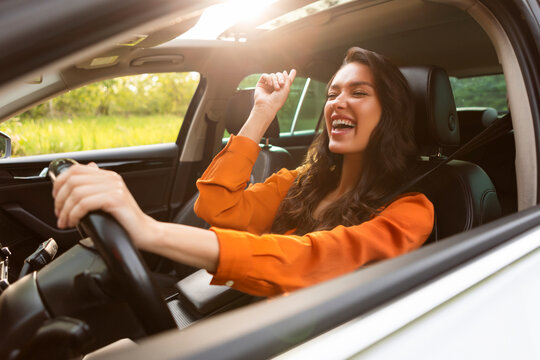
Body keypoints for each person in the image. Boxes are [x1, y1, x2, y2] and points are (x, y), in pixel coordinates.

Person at [53, 47, 434, 297]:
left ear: (390, 113)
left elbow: (310, 260)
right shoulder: (301, 181)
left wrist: (148, 230)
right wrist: (262, 113)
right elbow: (216, 206)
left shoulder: (410, 211)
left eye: (359, 93)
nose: (337, 103)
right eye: (332, 94)